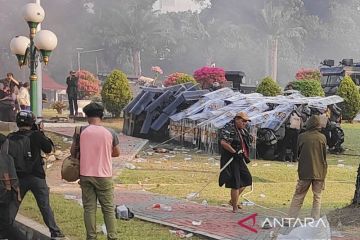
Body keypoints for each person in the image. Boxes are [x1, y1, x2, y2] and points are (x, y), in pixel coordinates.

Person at [8, 111, 66, 240]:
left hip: (18, 177)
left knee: (13, 204)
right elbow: (48, 149)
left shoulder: (10, 137)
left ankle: (5, 227)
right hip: (37, 177)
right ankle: (55, 231)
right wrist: (41, 132)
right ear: (32, 122)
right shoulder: (36, 136)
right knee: (44, 205)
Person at [71, 102, 120, 240]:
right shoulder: (110, 133)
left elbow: (73, 152)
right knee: (108, 209)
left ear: (87, 116)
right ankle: (112, 236)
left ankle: (91, 237)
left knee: (89, 208)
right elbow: (117, 153)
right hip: (104, 176)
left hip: (86, 175)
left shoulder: (80, 131)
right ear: (101, 115)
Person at [288, 115, 327, 220]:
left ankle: (291, 218)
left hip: (305, 171)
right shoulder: (322, 137)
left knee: (299, 195)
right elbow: (324, 155)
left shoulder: (302, 136)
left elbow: (298, 153)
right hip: (319, 171)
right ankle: (315, 219)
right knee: (317, 197)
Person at [218, 112, 253, 213]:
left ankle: (232, 201)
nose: (245, 123)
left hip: (239, 158)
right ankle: (234, 208)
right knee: (235, 183)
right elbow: (223, 142)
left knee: (247, 179)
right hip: (231, 158)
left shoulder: (242, 130)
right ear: (237, 119)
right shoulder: (228, 127)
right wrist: (234, 152)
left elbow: (246, 140)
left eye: (246, 121)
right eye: (243, 121)